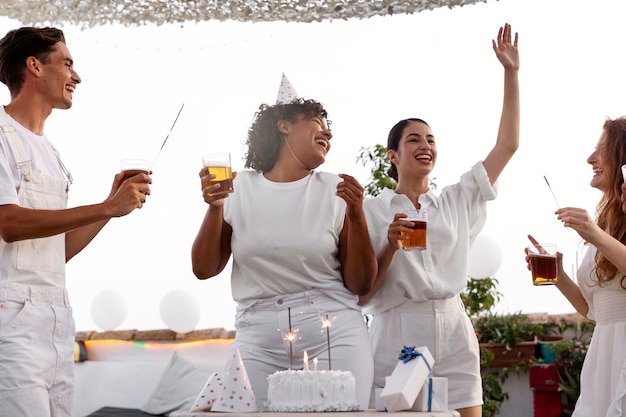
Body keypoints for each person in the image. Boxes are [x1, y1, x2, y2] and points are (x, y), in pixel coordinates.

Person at [360, 23, 519, 417]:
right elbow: (360, 288)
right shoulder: (370, 209)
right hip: (398, 329)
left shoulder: (456, 199)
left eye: (430, 140)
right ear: (392, 156)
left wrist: (510, 74)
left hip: (453, 328)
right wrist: (390, 247)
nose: (425, 145)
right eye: (413, 139)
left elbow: (508, 145)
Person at [191, 76, 377, 410]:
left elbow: (361, 284)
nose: (328, 133)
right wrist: (215, 207)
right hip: (257, 339)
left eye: (328, 127)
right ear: (283, 126)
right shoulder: (238, 187)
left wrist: (358, 216)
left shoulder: (337, 190)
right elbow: (204, 269)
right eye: (317, 122)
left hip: (334, 334)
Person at [0, 27, 151, 417]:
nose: (77, 76)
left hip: (57, 322)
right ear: (34, 66)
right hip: (10, 323)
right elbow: (10, 224)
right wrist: (104, 209)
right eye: (67, 63)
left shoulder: (51, 153)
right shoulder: (1, 136)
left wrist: (110, 206)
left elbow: (55, 252)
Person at [526, 117, 626, 416]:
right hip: (604, 355)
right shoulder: (607, 223)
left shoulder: (598, 230)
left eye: (602, 150)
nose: (590, 159)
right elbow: (595, 312)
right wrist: (557, 276)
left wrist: (594, 233)